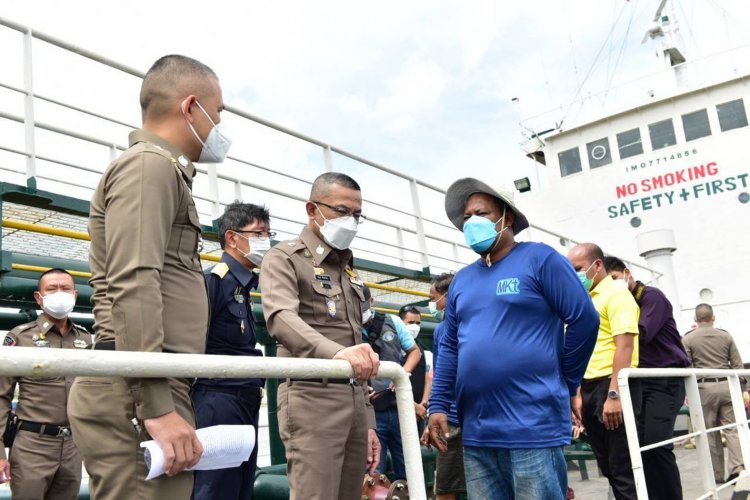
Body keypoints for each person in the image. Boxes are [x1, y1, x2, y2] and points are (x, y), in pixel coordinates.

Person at [68, 54, 231, 500]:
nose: (219, 124)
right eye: (218, 112)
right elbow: (133, 281)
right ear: (191, 106)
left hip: (147, 380)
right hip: (136, 387)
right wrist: (157, 406)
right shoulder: (150, 166)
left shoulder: (165, 171)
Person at [428, 178, 600, 500]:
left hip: (531, 427)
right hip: (477, 431)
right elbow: (449, 345)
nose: (471, 222)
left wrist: (567, 379)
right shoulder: (463, 280)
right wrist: (439, 404)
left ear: (506, 219)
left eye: (480, 213)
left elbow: (584, 319)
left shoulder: (539, 259)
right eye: (467, 217)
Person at [259, 172, 381, 500]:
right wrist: (336, 354)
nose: (351, 221)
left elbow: (356, 340)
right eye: (342, 211)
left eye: (357, 215)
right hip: (312, 398)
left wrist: (367, 419)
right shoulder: (285, 258)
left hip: (355, 399)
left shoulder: (348, 270)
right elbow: (281, 318)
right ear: (312, 209)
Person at [192, 202, 272, 500]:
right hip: (217, 400)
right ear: (232, 238)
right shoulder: (215, 281)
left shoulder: (243, 286)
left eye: (268, 233)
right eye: (258, 233)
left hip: (244, 398)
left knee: (240, 488)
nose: (266, 241)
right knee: (215, 488)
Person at [0, 268, 91, 499]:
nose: (59, 293)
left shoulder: (85, 338)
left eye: (65, 288)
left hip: (74, 445)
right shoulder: (20, 337)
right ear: (38, 298)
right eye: (51, 289)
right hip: (32, 444)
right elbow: (2, 395)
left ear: (75, 295)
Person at [604, 256, 690, 499]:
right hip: (636, 381)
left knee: (656, 445)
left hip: (664, 380)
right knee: (635, 447)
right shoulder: (615, 303)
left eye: (616, 279)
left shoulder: (651, 297)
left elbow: (638, 335)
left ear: (627, 273)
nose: (613, 286)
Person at [567, 243, 641, 500]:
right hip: (589, 388)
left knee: (623, 469)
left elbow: (625, 345)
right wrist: (577, 392)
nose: (573, 275)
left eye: (577, 269)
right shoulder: (584, 300)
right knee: (609, 467)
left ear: (597, 265)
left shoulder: (617, 295)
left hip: (610, 386)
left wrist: (614, 394)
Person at [361, 286, 421, 480]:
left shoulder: (393, 322)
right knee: (373, 470)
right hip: (368, 412)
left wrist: (402, 375)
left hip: (397, 407)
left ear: (371, 302)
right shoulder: (346, 324)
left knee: (408, 466)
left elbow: (415, 352)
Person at [683, 303, 745, 484]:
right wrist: (742, 389)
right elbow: (737, 364)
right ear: (713, 317)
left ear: (695, 319)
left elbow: (687, 367)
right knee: (732, 429)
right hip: (727, 385)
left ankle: (716, 475)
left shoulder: (688, 339)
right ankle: (737, 469)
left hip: (703, 389)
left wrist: (688, 392)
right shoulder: (726, 336)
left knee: (710, 432)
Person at [422, 272, 467, 500]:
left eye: (434, 297)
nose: (433, 304)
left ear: (447, 296)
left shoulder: (453, 328)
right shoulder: (442, 330)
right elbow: (440, 376)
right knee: (446, 487)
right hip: (452, 418)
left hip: (458, 420)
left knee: (446, 490)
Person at [398, 304, 430, 428]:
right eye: (410, 322)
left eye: (418, 323)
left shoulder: (419, 347)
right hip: (399, 411)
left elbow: (427, 378)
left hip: (419, 414)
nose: (415, 327)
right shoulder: (393, 347)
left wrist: (423, 404)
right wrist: (413, 406)